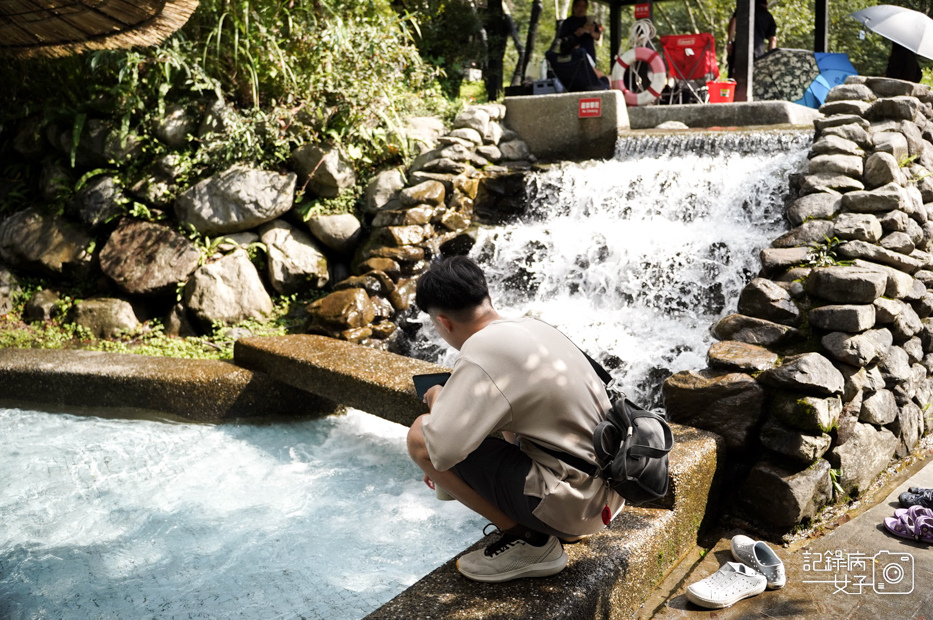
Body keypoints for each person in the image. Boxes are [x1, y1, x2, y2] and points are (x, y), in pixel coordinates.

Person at [406, 256, 624, 583]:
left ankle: (530, 543)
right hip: (609, 494)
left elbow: (441, 450)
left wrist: (439, 399)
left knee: (419, 437)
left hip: (575, 505)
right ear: (487, 298)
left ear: (444, 322)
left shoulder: (481, 351)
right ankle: (553, 527)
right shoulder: (534, 327)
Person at [726, 0, 777, 77]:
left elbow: (734, 21)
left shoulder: (744, 10)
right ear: (765, 4)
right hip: (758, 52)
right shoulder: (768, 16)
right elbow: (772, 39)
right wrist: (769, 58)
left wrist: (729, 41)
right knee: (754, 77)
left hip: (739, 47)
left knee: (734, 77)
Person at [558, 0, 604, 66]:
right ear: (574, 7)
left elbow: (598, 36)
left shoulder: (590, 21)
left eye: (584, 6)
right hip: (572, 56)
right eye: (579, 6)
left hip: (589, 55)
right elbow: (563, 39)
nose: (581, 8)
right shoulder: (567, 22)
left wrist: (592, 32)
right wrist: (576, 34)